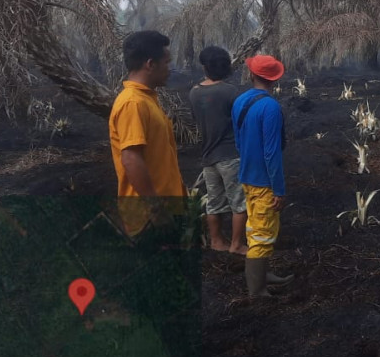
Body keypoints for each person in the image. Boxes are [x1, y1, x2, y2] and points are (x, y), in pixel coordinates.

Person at [109, 30, 187, 236]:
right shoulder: (133, 103)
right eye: (167, 63)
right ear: (150, 64)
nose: (170, 69)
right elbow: (131, 158)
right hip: (149, 219)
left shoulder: (146, 99)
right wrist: (156, 209)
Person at [232, 54, 294, 296]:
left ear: (251, 75)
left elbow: (238, 140)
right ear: (275, 79)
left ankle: (262, 274)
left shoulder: (241, 101)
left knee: (256, 228)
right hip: (263, 182)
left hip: (247, 176)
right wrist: (278, 188)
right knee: (262, 233)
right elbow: (272, 152)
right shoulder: (270, 107)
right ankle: (256, 290)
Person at [189, 46, 248, 255]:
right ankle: (236, 244)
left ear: (204, 67)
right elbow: (242, 121)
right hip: (230, 155)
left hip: (208, 156)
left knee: (214, 202)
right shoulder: (230, 92)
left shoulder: (194, 92)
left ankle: (216, 242)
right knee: (239, 202)